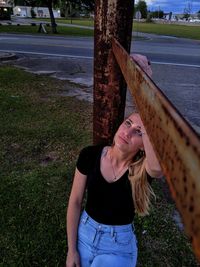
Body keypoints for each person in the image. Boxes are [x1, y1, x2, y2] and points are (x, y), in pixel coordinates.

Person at [66, 56, 163, 267]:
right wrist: (71, 249)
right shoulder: (90, 155)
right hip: (84, 232)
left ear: (144, 144)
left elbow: (157, 168)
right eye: (128, 123)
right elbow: (75, 201)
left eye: (139, 132)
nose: (127, 132)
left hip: (118, 245)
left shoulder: (140, 170)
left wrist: (145, 87)